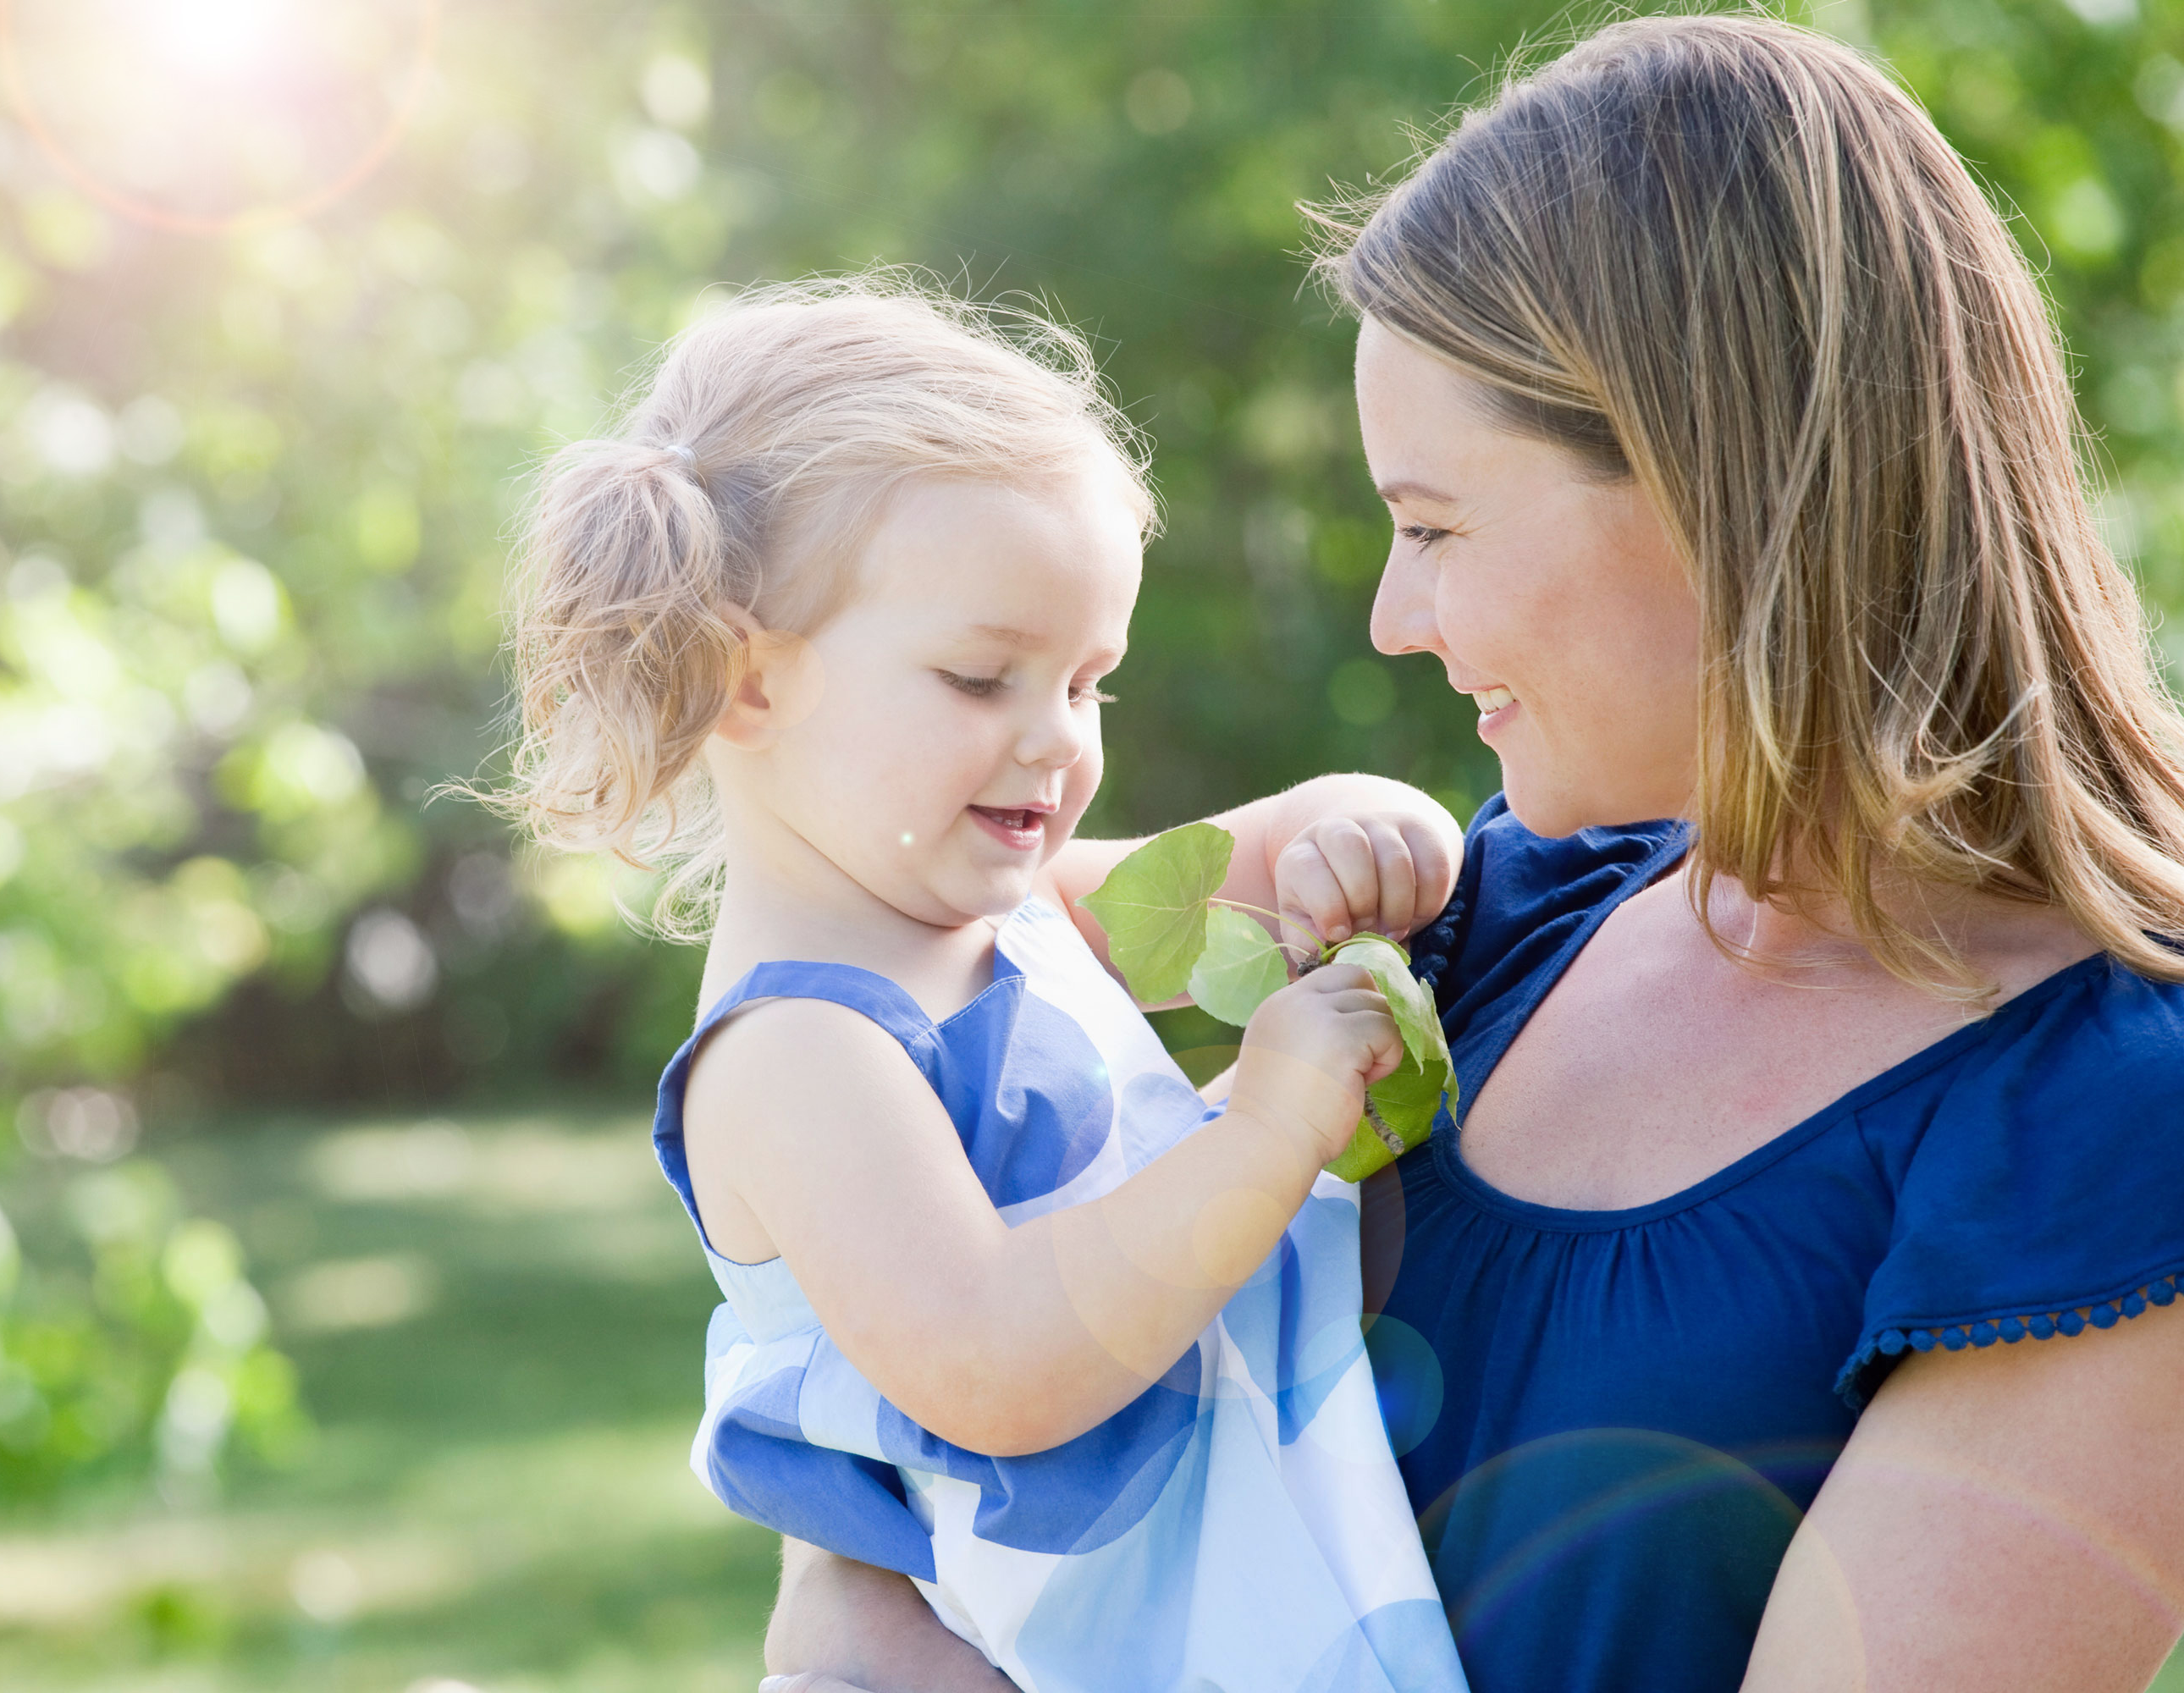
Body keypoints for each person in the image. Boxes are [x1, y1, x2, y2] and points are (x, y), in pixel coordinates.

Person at [763, 18, 2184, 1693]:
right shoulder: (1482, 918)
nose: (1394, 618)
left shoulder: (2098, 1128)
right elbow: (877, 1555)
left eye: (1435, 526)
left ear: (1721, 490)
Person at [496, 278, 1474, 1691]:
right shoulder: (796, 1056)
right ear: (747, 685)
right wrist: (1265, 1131)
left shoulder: (1009, 917)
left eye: (1089, 683)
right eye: (981, 679)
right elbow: (1000, 1360)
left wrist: (1373, 833)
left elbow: (1270, 851)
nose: (1060, 743)